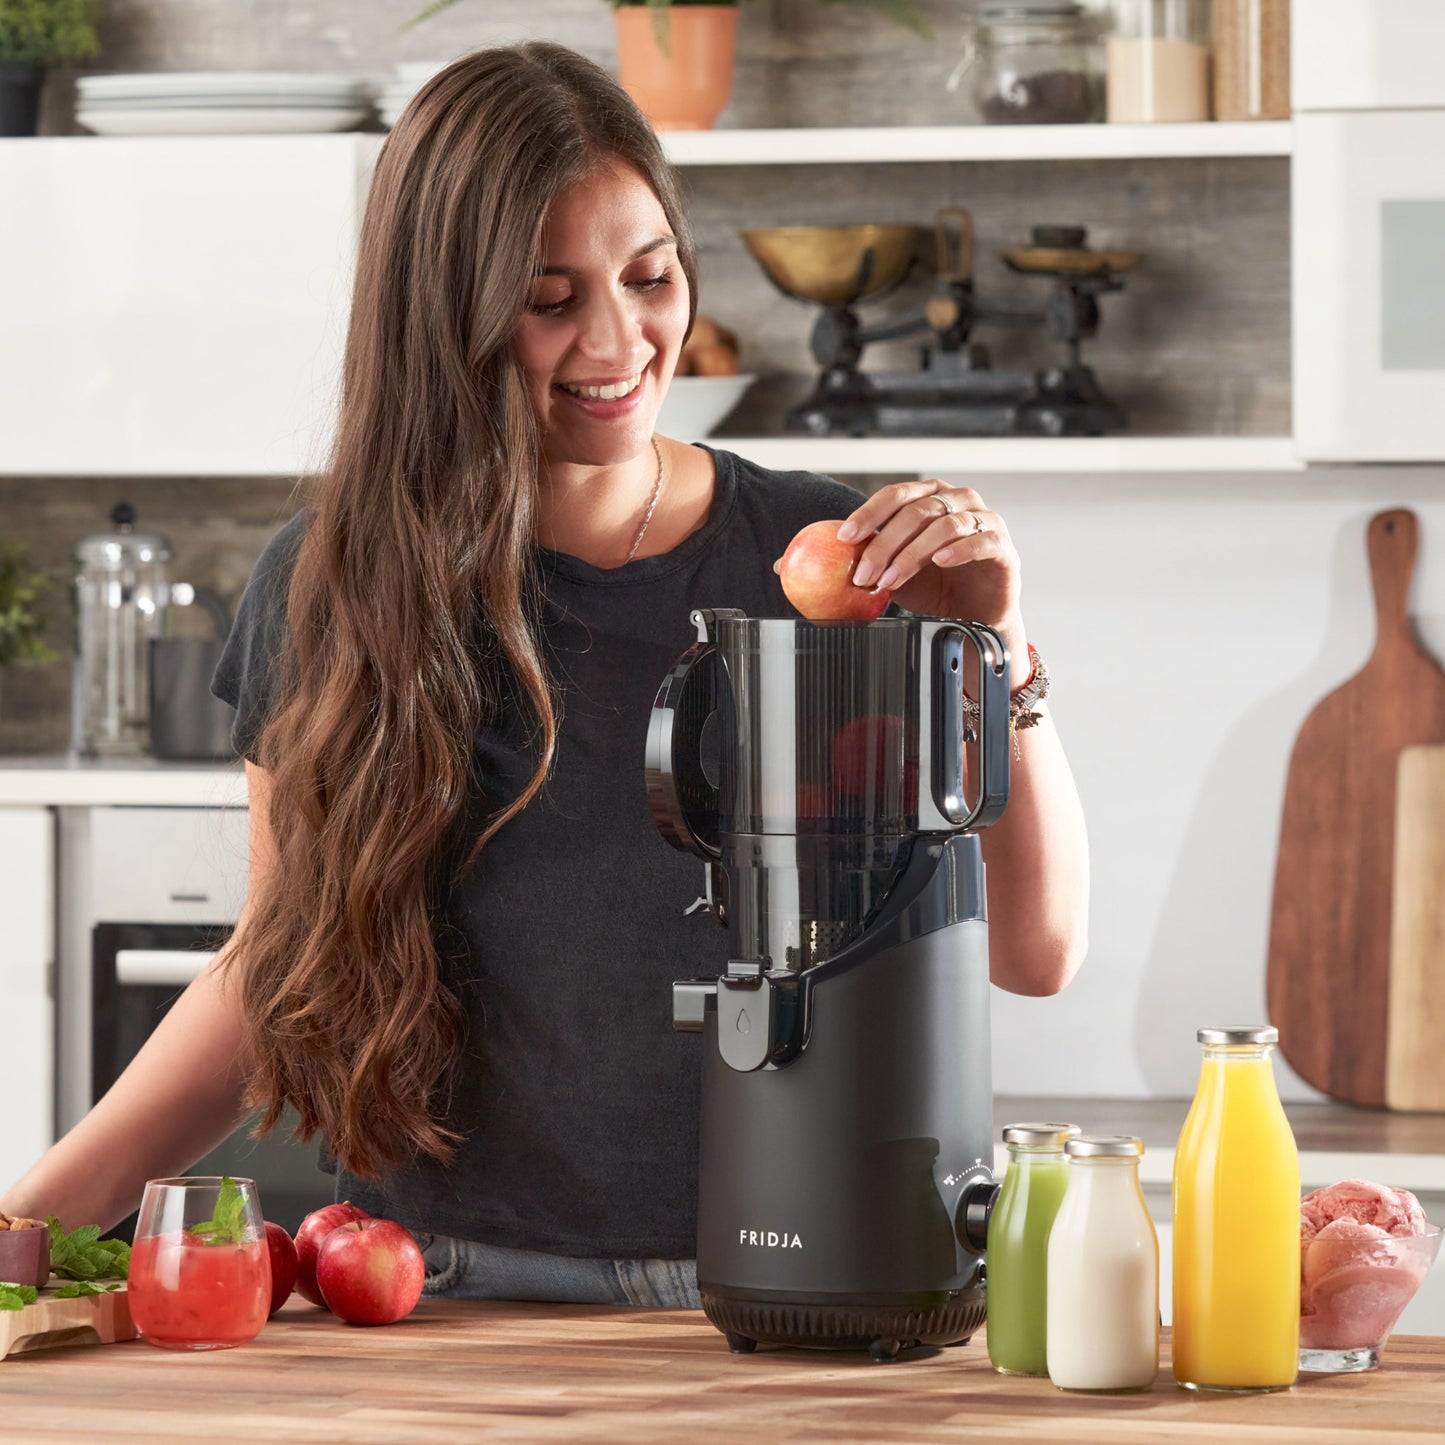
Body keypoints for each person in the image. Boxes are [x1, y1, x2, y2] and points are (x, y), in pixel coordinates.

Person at [0, 43, 1088, 1308]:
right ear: (444, 312)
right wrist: (26, 1223)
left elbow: (1033, 947)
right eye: (548, 296)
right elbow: (273, 966)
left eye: (649, 276)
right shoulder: (336, 583)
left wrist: (990, 646)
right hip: (440, 1290)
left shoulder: (828, 561)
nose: (618, 341)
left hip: (803, 1288)